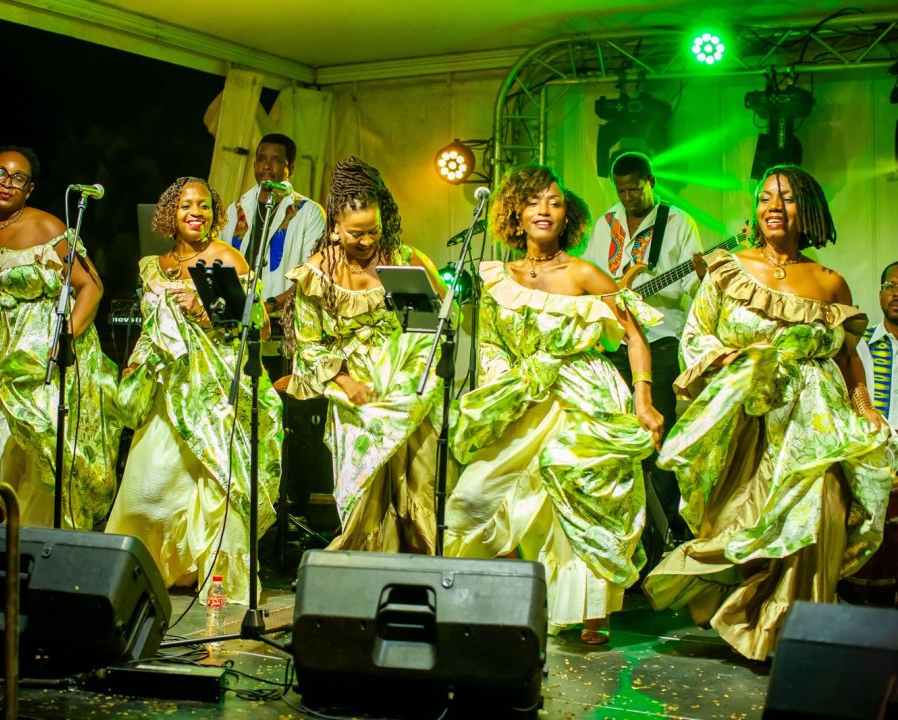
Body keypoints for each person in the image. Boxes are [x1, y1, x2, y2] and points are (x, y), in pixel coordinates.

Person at [643, 164, 894, 661]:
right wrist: (734, 361)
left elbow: (847, 359)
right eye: (764, 198)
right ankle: (755, 622)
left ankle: (801, 638)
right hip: (750, 420)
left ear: (810, 210)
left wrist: (865, 408)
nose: (773, 207)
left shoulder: (830, 283)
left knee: (820, 515)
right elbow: (696, 337)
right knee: (751, 525)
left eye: (787, 198)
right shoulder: (727, 270)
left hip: (819, 422)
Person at [444, 161, 663, 644]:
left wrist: (644, 399)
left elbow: (634, 336)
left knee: (579, 498)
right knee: (475, 498)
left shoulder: (583, 273)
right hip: (522, 393)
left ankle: (592, 611)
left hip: (582, 393)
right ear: (515, 214)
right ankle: (524, 592)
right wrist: (503, 389)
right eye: (533, 201)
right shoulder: (496, 276)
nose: (544, 209)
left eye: (555, 202)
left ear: (568, 217)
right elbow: (490, 344)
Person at [104, 176, 283, 605]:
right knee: (147, 489)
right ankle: (151, 571)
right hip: (167, 386)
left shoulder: (225, 258)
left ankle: (218, 577)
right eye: (186, 205)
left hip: (213, 392)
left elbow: (260, 324)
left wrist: (205, 310)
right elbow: (153, 326)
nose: (196, 213)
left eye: (204, 205)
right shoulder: (154, 266)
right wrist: (137, 360)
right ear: (171, 213)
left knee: (216, 483)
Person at [0, 146, 120, 538]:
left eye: (18, 178)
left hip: (38, 364)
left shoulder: (48, 229)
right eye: (0, 173)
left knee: (34, 456)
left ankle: (35, 546)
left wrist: (65, 338)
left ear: (29, 189)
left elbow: (91, 287)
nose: (7, 183)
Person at [285, 155, 444, 554]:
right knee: (363, 484)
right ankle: (364, 562)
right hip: (354, 391)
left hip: (407, 384)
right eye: (356, 233)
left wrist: (419, 308)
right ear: (335, 228)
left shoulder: (403, 258)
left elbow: (443, 317)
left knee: (419, 481)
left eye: (374, 231)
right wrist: (344, 380)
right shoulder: (317, 274)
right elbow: (308, 344)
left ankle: (423, 559)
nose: (368, 241)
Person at [580, 151, 705, 548]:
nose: (628, 196)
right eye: (621, 190)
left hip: (661, 339)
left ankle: (666, 531)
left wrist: (703, 276)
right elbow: (592, 281)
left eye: (635, 188)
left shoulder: (678, 222)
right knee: (614, 433)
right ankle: (620, 525)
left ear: (651, 181)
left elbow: (691, 288)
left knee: (658, 434)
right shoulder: (607, 223)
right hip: (614, 341)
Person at [221, 133, 326, 378]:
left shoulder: (309, 212)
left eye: (277, 161)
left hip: (283, 330)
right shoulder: (235, 210)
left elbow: (312, 275)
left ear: (291, 169)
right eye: (261, 159)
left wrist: (269, 305)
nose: (266, 166)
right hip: (238, 329)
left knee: (278, 393)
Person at [839, 260, 898, 607]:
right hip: (873, 452)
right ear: (880, 294)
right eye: (891, 286)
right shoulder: (860, 346)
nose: (897, 294)